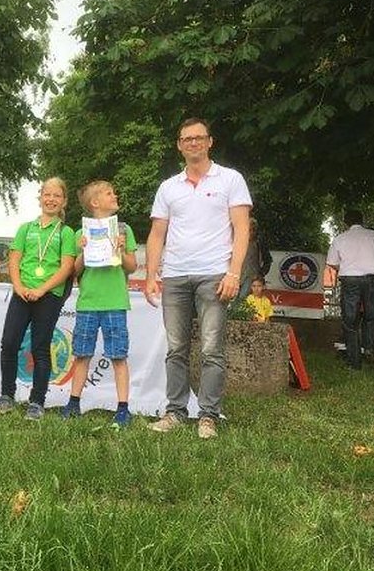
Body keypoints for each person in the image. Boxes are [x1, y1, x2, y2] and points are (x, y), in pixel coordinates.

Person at [145, 118, 252, 439]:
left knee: (211, 349)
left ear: (209, 142)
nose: (193, 143)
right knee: (175, 348)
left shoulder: (230, 180)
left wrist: (234, 272)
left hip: (214, 274)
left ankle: (208, 415)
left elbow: (242, 228)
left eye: (198, 138)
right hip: (175, 275)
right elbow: (156, 234)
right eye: (186, 139)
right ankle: (175, 412)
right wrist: (151, 274)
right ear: (179, 145)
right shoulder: (168, 187)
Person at [0, 177, 76, 420]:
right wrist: (18, 286)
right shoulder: (25, 228)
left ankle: (37, 401)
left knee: (39, 347)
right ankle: (7, 395)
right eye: (47, 194)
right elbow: (14, 261)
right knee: (10, 342)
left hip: (48, 295)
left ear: (64, 201)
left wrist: (42, 289)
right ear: (40, 198)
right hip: (22, 293)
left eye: (56, 195)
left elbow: (66, 268)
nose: (51, 199)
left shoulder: (66, 232)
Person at [59, 180, 137, 427]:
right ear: (95, 202)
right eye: (108, 193)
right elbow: (74, 270)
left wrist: (122, 251)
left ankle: (123, 408)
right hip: (88, 302)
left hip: (115, 301)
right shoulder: (80, 233)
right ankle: (73, 402)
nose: (115, 195)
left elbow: (132, 266)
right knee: (82, 354)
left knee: (118, 355)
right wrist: (83, 251)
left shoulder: (124, 230)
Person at [325, 209, 374, 370]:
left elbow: (332, 263)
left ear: (345, 223)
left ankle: (354, 362)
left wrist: (348, 265)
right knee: (371, 318)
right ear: (362, 221)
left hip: (350, 280)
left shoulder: (340, 239)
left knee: (350, 321)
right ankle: (371, 352)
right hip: (372, 280)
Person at [237, 217, 272, 301]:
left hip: (251, 276)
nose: (250, 232)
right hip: (237, 274)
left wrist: (261, 273)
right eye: (248, 229)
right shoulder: (237, 241)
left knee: (242, 298)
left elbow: (268, 260)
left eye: (253, 230)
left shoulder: (259, 243)